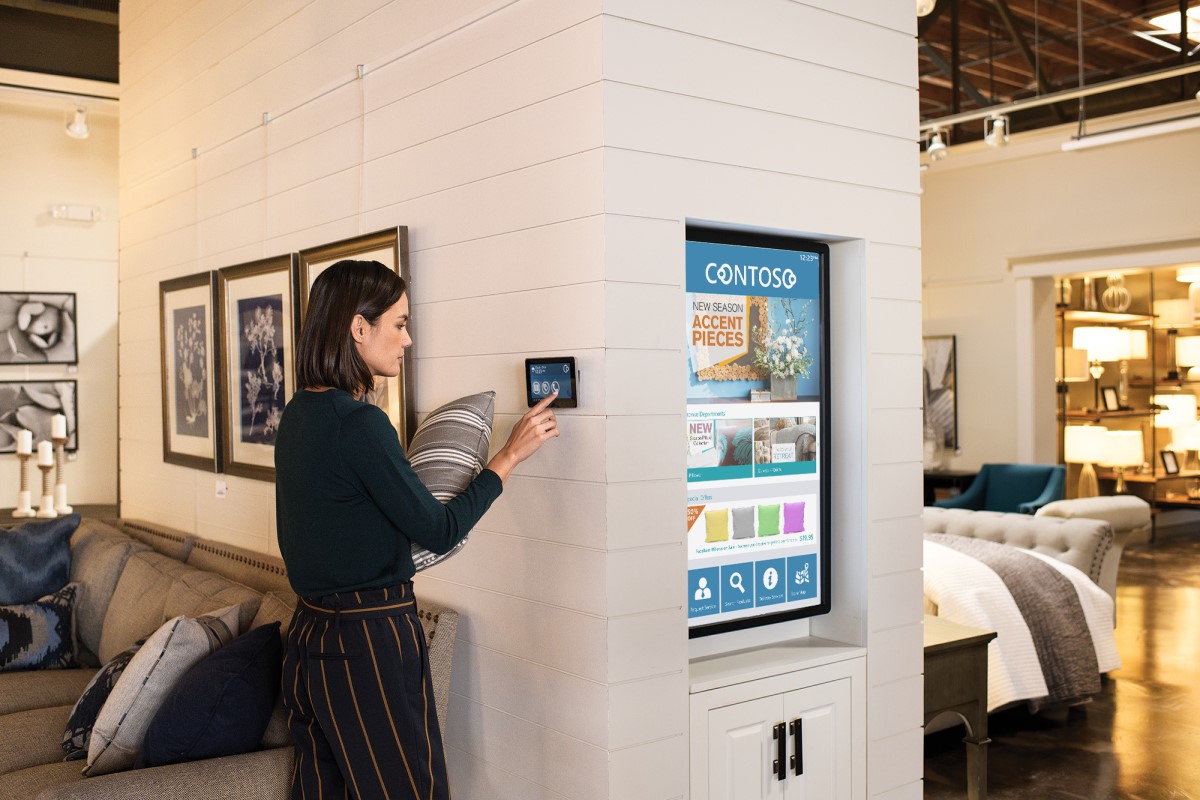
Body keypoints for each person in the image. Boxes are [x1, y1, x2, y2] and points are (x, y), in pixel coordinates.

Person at [274, 259, 559, 800]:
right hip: (368, 642)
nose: (408, 339)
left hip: (309, 640)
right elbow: (440, 528)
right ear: (359, 328)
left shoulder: (297, 416)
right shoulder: (359, 425)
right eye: (399, 323)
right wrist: (508, 456)